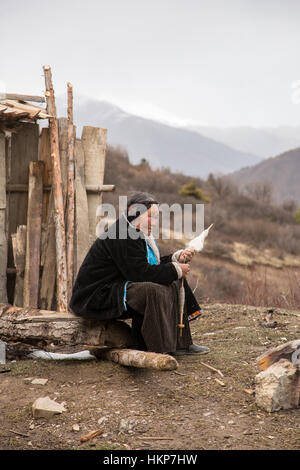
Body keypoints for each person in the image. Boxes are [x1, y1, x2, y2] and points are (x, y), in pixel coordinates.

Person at [69, 192, 209, 355]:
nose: (154, 222)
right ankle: (156, 346)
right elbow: (140, 274)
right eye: (150, 217)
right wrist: (175, 269)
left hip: (115, 288)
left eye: (156, 217)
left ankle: (182, 343)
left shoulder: (135, 231)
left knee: (174, 281)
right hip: (95, 297)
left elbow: (147, 266)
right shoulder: (123, 234)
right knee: (150, 290)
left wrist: (175, 258)